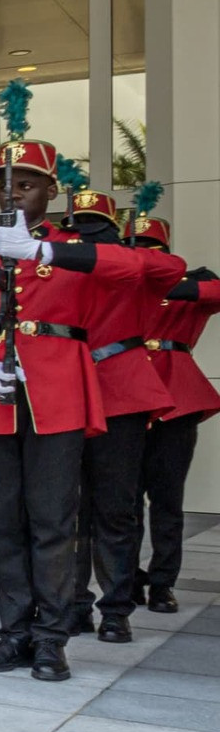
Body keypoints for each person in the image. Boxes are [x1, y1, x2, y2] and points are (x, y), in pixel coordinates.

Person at [0, 81, 142, 683]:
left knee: (53, 522)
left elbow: (139, 269)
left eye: (25, 184)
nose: (12, 194)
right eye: (4, 185)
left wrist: (45, 256)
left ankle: (52, 638)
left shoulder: (78, 247)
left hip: (59, 398)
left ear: (52, 191)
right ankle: (15, 633)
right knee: (3, 524)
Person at [66, 187, 184, 644]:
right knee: (68, 511)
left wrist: (118, 252)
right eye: (79, 231)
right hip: (68, 388)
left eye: (95, 230)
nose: (85, 239)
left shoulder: (134, 265)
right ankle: (73, 603)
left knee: (116, 508)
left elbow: (172, 268)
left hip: (120, 389)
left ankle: (116, 607)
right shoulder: (61, 260)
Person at [130, 199, 220, 614]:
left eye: (153, 249)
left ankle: (162, 583)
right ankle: (125, 579)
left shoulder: (187, 285)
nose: (145, 255)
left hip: (175, 399)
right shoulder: (118, 286)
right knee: (122, 502)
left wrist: (169, 284)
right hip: (126, 396)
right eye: (137, 248)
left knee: (167, 501)